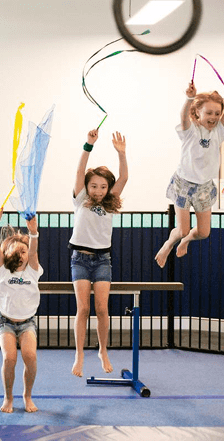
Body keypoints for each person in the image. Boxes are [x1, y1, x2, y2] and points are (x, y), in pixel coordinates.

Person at [155, 82, 224, 267]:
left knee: (203, 232)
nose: (214, 117)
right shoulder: (190, 131)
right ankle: (168, 244)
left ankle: (185, 241)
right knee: (182, 230)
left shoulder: (218, 132)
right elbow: (183, 116)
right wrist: (189, 98)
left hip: (204, 186)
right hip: (184, 184)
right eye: (209, 113)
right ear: (197, 112)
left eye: (217, 113)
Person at [69, 129, 128, 378]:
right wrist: (88, 145)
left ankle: (103, 350)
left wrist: (121, 154)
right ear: (86, 186)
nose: (98, 190)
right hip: (80, 259)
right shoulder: (81, 198)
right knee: (83, 309)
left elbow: (124, 178)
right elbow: (80, 171)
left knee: (102, 309)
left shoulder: (110, 201)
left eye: (103, 187)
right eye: (94, 186)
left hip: (103, 259)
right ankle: (79, 354)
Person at [0, 209, 42, 413]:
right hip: (6, 322)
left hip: (27, 322)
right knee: (9, 358)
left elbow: (34, 251)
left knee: (30, 356)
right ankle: (8, 397)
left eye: (24, 252)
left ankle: (27, 395)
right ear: (8, 253)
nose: (21, 255)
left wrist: (33, 232)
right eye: (16, 252)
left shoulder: (32, 270)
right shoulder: (3, 270)